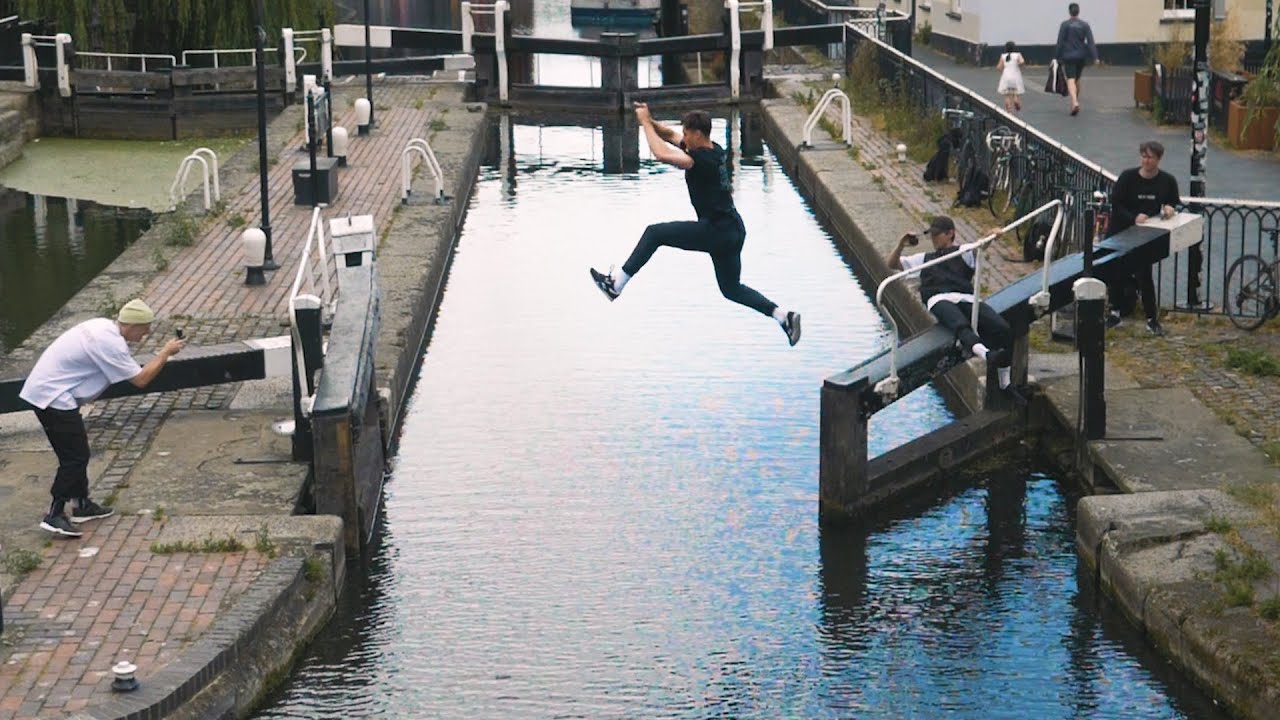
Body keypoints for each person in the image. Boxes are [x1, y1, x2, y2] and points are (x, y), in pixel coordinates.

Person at [590, 103, 802, 346]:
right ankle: (783, 316)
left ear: (697, 134)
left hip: (717, 231)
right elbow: (670, 136)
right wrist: (647, 120)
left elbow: (661, 153)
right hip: (733, 230)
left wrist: (646, 124)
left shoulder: (698, 161)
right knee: (731, 289)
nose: (684, 137)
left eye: (687, 133)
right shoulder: (715, 150)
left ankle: (616, 285)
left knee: (654, 233)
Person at [19, 299, 186, 537]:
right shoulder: (110, 343)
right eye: (144, 328)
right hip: (53, 398)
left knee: (76, 451)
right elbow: (141, 379)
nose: (146, 334)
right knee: (74, 457)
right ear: (131, 325)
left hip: (48, 391)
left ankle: (82, 504)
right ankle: (55, 514)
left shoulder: (101, 325)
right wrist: (165, 353)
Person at [887, 216, 1021, 401]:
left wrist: (994, 234)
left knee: (1003, 329)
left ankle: (1005, 384)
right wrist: (902, 243)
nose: (933, 239)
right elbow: (892, 264)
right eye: (931, 235)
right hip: (938, 298)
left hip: (966, 298)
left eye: (937, 235)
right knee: (959, 324)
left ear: (950, 234)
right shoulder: (924, 259)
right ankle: (987, 354)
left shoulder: (963, 252)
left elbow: (983, 243)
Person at [1104, 140, 1181, 336]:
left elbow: (1173, 200)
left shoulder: (1167, 181)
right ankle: (1114, 311)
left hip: (1146, 233)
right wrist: (1133, 217)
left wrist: (1170, 208)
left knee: (1144, 274)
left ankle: (1151, 318)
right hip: (1121, 229)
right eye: (1144, 157)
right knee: (1115, 271)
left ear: (1158, 159)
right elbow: (1116, 202)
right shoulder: (1128, 177)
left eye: (1150, 158)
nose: (1146, 161)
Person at [1055, 3, 1098, 116]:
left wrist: (1057, 56)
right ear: (1078, 12)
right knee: (1077, 79)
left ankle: (1074, 102)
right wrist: (1095, 57)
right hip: (1081, 56)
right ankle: (1075, 101)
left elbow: (1060, 42)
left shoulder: (1065, 25)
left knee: (1070, 79)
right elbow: (1090, 42)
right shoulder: (1085, 25)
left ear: (1070, 12)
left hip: (1068, 56)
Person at [997, 41, 1026, 114]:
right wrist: (1018, 64)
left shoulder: (1003, 56)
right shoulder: (1017, 55)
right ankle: (1016, 101)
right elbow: (1022, 62)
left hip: (1006, 76)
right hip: (1015, 75)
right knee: (1015, 92)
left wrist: (1004, 70)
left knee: (1007, 95)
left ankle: (1009, 110)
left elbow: (999, 67)